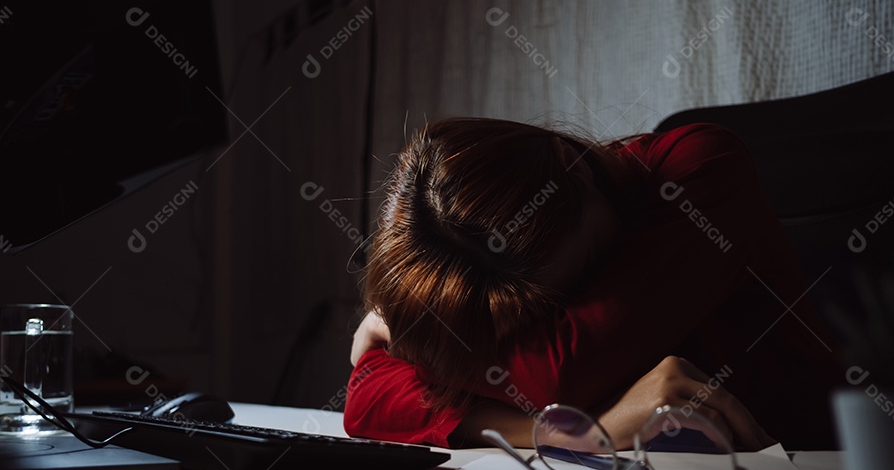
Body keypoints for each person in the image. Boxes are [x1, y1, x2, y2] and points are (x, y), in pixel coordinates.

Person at [343, 117, 842, 452]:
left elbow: (561, 375)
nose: (559, 324)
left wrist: (414, 333)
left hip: (809, 463)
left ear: (575, 167)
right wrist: (567, 432)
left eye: (586, 267)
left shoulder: (703, 166)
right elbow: (367, 397)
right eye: (535, 320)